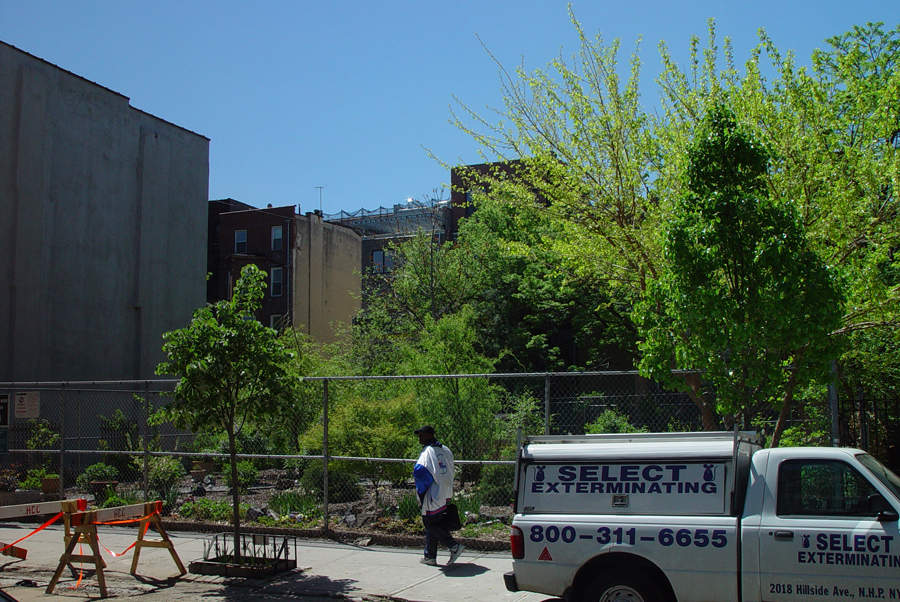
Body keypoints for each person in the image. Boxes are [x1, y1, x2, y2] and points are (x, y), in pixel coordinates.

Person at [413, 425, 464, 566]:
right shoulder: (445, 449)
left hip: (433, 491)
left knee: (430, 523)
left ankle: (454, 546)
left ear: (430, 435)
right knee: (435, 521)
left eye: (422, 435)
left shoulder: (428, 450)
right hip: (445, 490)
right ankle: (430, 556)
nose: (420, 437)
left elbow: (420, 471)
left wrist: (421, 491)